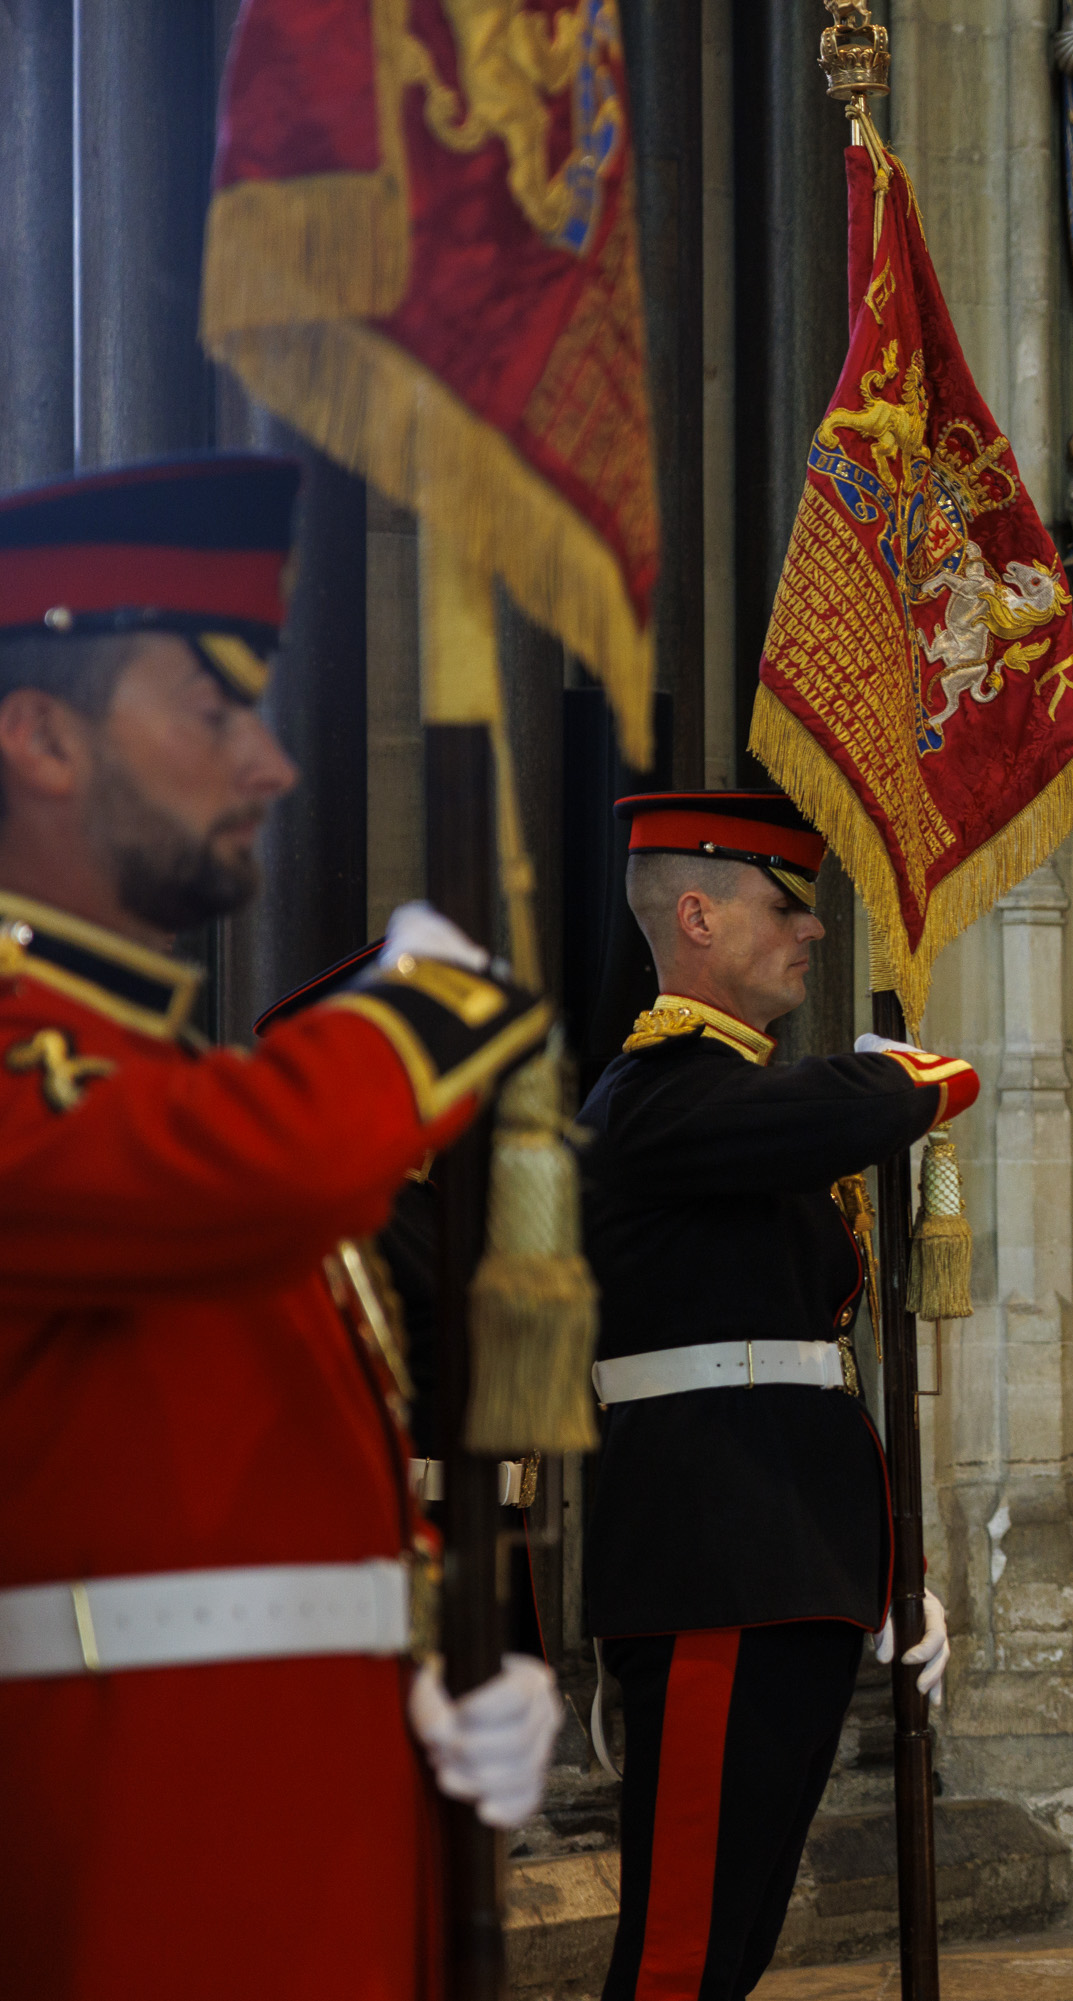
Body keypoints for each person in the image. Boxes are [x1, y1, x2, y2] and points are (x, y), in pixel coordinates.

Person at [0, 454, 563, 1997]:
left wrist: (433, 1644)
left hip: (319, 1835)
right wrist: (425, 1007)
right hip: (135, 1859)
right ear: (40, 735)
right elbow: (251, 1179)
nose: (274, 765)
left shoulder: (170, 1071)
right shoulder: (88, 1078)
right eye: (213, 711)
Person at [583, 791, 979, 2001]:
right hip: (717, 1562)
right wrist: (914, 1073)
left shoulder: (738, 1101)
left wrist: (891, 1571)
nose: (811, 934)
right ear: (695, 916)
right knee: (681, 1953)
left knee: (735, 1940)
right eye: (783, 908)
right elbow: (837, 1108)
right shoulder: (660, 1093)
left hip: (787, 1562)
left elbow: (819, 1372)